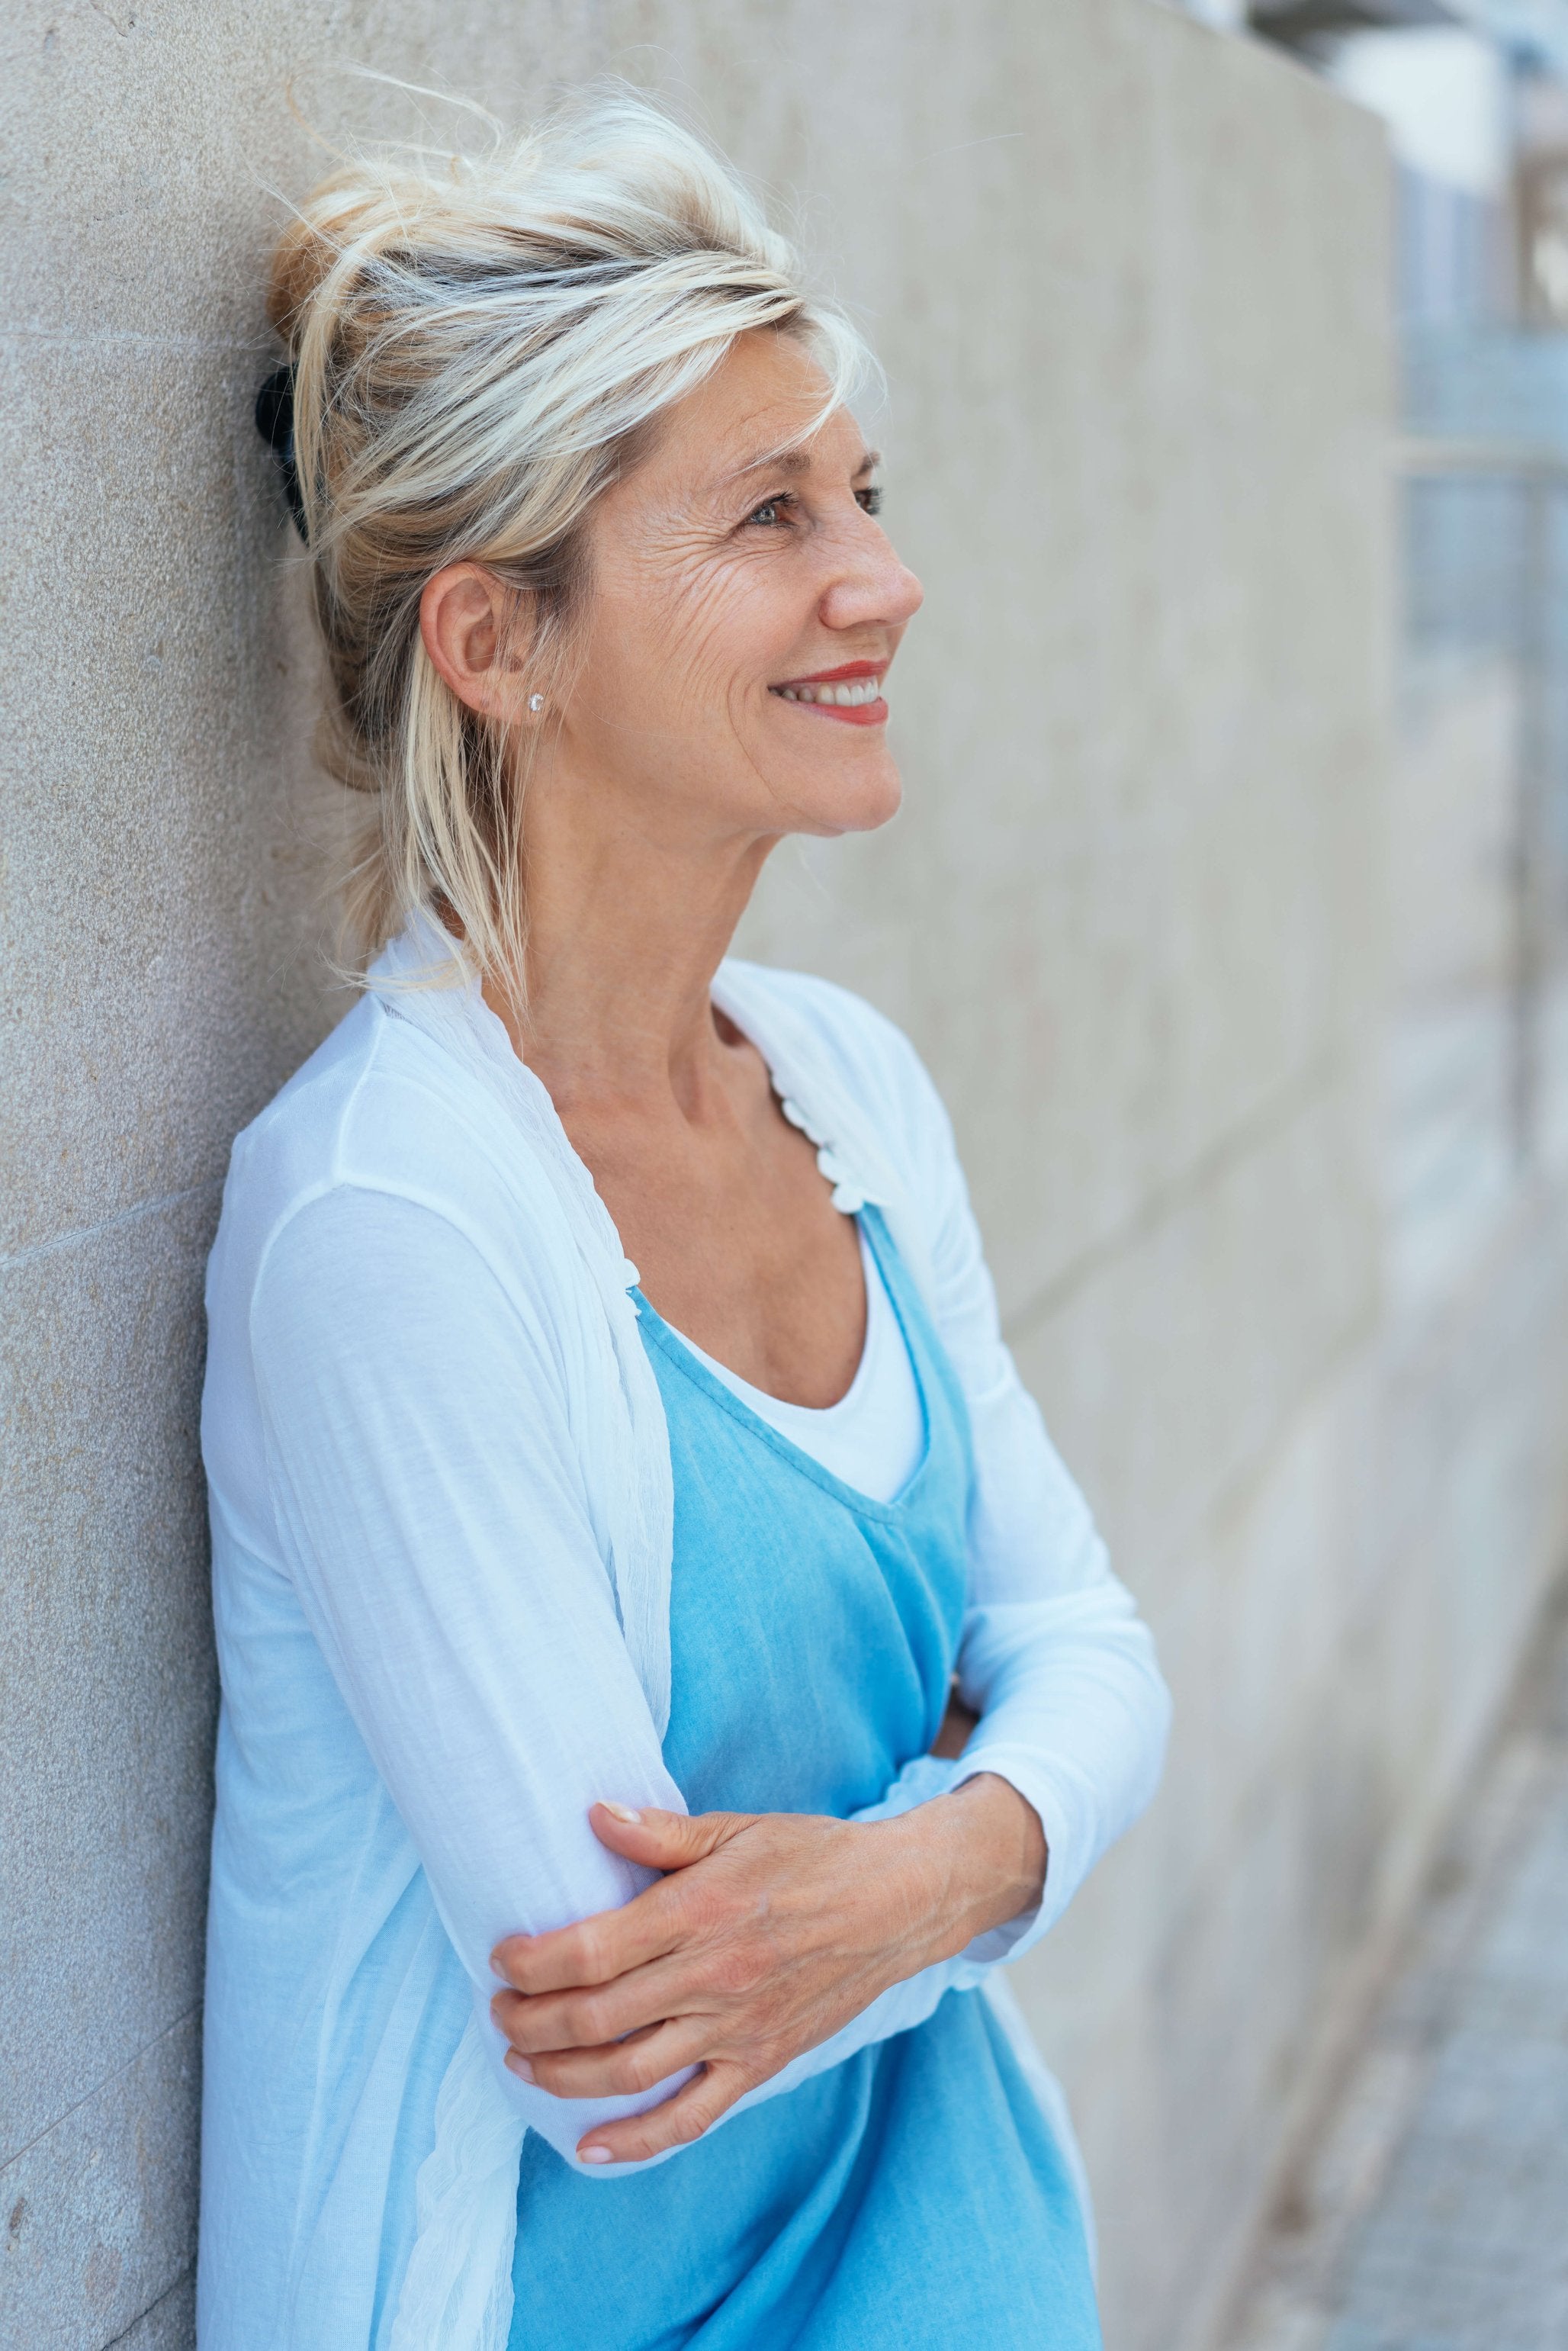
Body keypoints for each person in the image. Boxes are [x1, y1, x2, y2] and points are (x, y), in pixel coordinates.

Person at [198, 90, 1171, 2351]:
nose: (883, 576)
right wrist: (1012, 1805)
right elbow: (623, 2042)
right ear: (495, 639)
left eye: (862, 494)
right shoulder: (389, 1220)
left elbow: (1103, 1647)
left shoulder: (848, 1088)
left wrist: (924, 1863)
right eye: (767, 513)